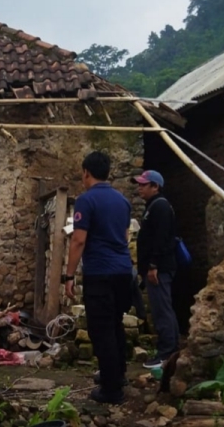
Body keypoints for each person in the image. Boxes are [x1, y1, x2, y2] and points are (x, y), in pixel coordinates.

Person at [65, 151, 132, 405]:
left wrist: (68, 276)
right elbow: (125, 236)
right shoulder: (123, 201)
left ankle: (111, 390)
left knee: (101, 330)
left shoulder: (86, 200)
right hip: (123, 271)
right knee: (115, 324)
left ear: (86, 172)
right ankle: (117, 374)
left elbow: (79, 239)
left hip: (100, 273)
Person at [132, 170, 180, 369]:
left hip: (158, 269)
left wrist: (153, 266)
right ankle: (172, 350)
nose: (139, 188)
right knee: (163, 308)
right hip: (156, 267)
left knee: (162, 310)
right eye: (139, 184)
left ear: (155, 186)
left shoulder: (159, 207)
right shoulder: (153, 206)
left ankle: (166, 353)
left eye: (144, 184)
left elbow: (160, 240)